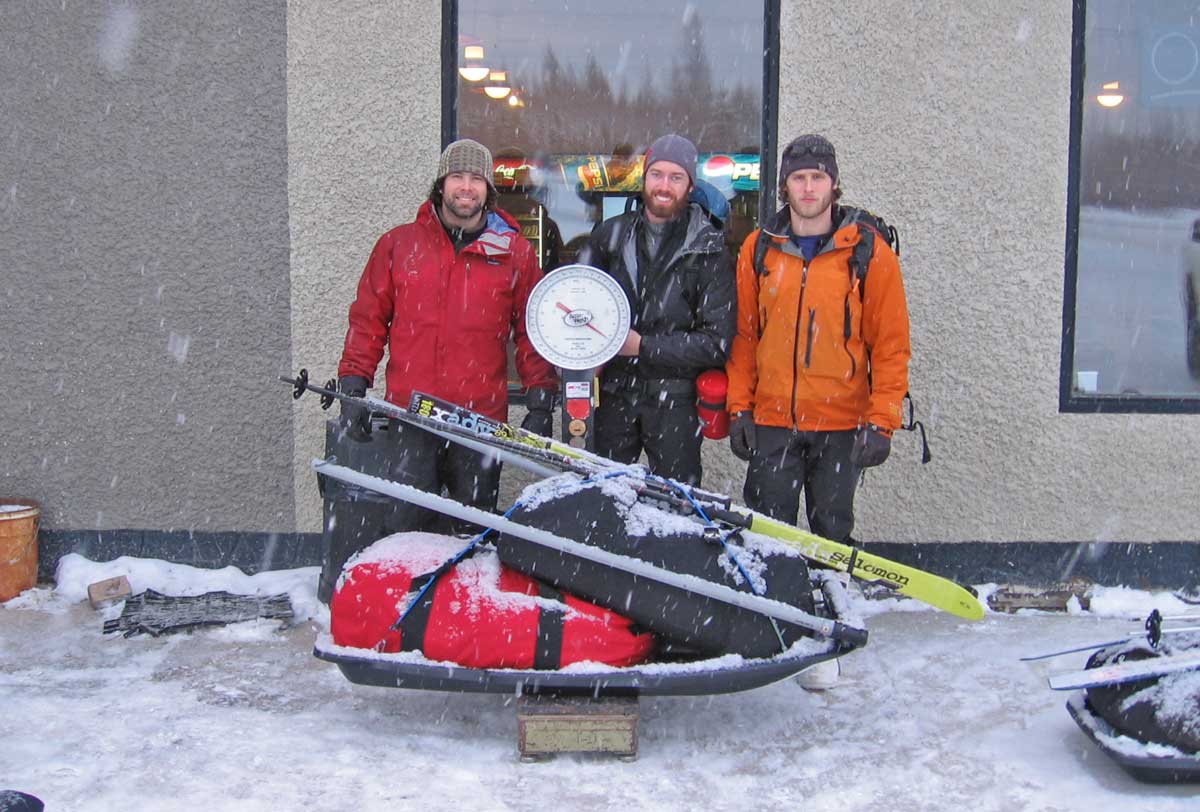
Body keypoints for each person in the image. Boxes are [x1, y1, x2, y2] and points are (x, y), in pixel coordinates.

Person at [324, 138, 557, 602]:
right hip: (413, 416)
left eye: (476, 179)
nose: (466, 187)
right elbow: (368, 319)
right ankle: (406, 613)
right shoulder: (399, 246)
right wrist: (354, 382)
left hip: (479, 421)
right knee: (407, 524)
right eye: (457, 177)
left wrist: (540, 396)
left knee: (474, 531)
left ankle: (467, 614)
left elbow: (531, 329)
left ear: (488, 190)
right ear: (441, 184)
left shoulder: (512, 252)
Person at [725, 134, 911, 687]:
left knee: (831, 534)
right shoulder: (759, 248)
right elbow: (745, 337)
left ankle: (828, 641)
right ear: (785, 186)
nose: (808, 188)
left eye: (818, 178)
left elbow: (890, 344)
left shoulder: (867, 251)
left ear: (833, 184)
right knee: (770, 532)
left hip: (841, 423)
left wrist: (882, 420)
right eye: (799, 178)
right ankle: (775, 633)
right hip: (774, 421)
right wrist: (740, 408)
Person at [575, 134, 736, 485]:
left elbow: (717, 343)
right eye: (657, 174)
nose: (664, 186)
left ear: (690, 186)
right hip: (613, 396)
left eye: (676, 177)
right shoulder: (609, 236)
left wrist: (643, 347)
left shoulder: (708, 250)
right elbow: (576, 305)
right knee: (604, 496)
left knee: (677, 502)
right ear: (644, 179)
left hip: (677, 402)